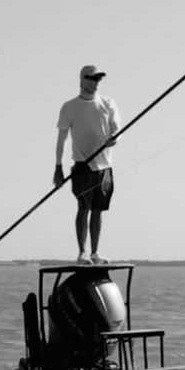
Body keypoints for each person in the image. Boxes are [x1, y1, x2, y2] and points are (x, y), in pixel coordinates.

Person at [54, 64, 120, 264]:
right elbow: (61, 139)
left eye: (98, 79)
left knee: (98, 210)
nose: (96, 82)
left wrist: (113, 139)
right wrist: (58, 167)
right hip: (82, 165)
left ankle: (95, 252)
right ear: (82, 79)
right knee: (83, 207)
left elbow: (117, 130)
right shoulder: (69, 107)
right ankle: (82, 252)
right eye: (92, 78)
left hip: (104, 166)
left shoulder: (108, 104)